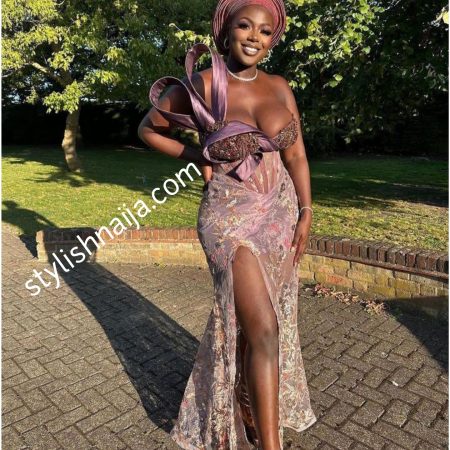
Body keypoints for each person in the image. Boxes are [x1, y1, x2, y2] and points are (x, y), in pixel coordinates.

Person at [138, 0, 317, 448]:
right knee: (265, 328)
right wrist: (198, 154)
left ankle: (247, 401)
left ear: (273, 38)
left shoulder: (280, 86)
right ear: (226, 29)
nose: (255, 37)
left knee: (260, 323)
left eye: (265, 30)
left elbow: (295, 154)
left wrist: (306, 210)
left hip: (279, 214)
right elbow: (149, 129)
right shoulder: (203, 84)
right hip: (228, 218)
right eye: (245, 26)